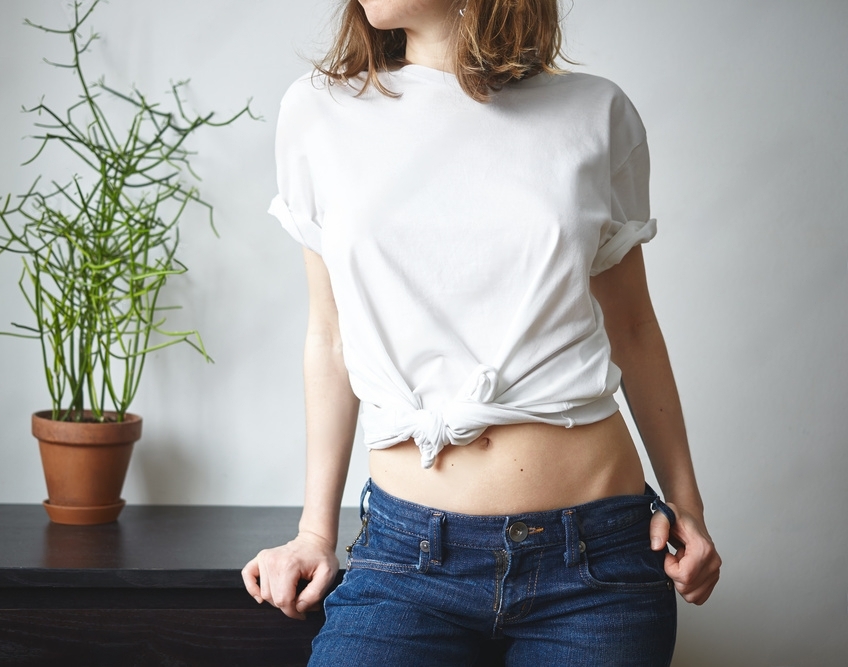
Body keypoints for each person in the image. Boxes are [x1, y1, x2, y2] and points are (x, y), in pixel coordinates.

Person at [242, 0, 722, 664]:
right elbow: (329, 336)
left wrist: (688, 504)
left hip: (596, 563)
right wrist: (313, 531)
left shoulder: (595, 113)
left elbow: (633, 326)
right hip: (407, 557)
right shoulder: (318, 112)